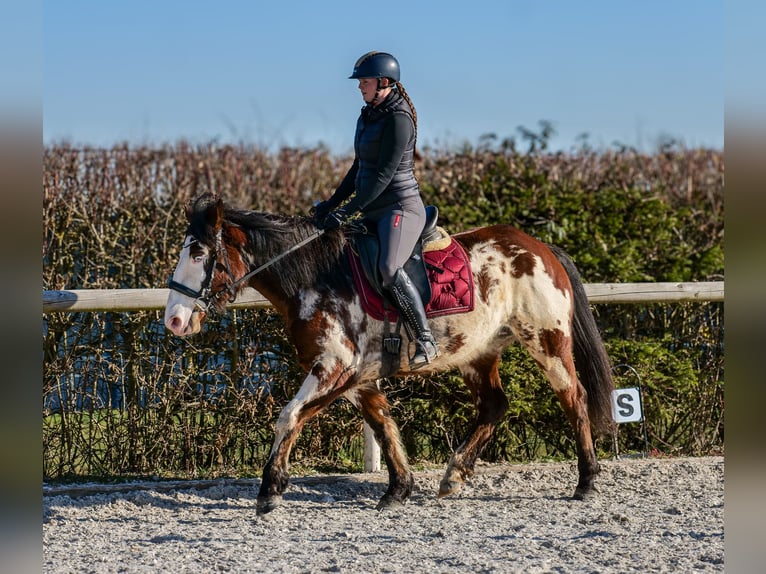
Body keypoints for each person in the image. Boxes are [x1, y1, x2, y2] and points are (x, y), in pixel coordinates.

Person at [314, 51, 439, 369]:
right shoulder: (367, 116)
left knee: (387, 267)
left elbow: (383, 175)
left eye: (364, 82)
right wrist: (332, 205)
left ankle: (425, 339)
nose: (359, 87)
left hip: (400, 208)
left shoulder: (399, 119)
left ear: (383, 82)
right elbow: (360, 169)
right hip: (373, 208)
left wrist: (350, 210)